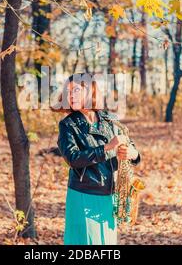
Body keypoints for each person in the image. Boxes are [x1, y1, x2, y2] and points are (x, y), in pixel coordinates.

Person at [55, 74, 141, 245]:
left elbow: (134, 153)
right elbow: (73, 158)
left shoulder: (111, 120)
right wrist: (107, 148)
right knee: (84, 243)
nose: (71, 96)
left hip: (109, 194)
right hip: (83, 193)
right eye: (69, 92)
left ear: (91, 91)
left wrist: (132, 154)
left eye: (77, 90)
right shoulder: (68, 125)